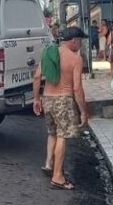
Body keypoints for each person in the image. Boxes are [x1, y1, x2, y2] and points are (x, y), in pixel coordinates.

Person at [33, 26, 89, 190]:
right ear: (74, 40)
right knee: (62, 136)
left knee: (52, 133)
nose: (80, 44)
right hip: (64, 100)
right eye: (80, 41)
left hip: (47, 98)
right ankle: (58, 176)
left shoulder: (49, 53)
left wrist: (37, 99)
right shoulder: (75, 59)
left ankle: (49, 163)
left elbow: (37, 77)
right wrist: (83, 111)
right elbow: (77, 88)